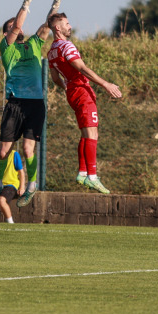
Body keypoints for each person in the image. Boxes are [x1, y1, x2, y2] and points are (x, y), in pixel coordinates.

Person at [0, 0, 68, 207]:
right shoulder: (7, 48)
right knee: (4, 151)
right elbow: (15, 27)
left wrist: (56, 1)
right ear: (7, 34)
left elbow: (47, 26)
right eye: (14, 27)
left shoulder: (33, 43)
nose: (19, 28)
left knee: (27, 148)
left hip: (35, 103)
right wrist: (26, 2)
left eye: (20, 26)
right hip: (15, 104)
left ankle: (32, 185)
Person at [47, 12, 122, 194]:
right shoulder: (66, 46)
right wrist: (106, 84)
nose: (70, 26)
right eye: (66, 23)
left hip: (73, 92)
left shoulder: (51, 51)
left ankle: (82, 172)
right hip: (81, 90)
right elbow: (81, 67)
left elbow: (55, 78)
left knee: (87, 133)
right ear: (58, 28)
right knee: (92, 134)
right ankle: (92, 176)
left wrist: (68, 87)